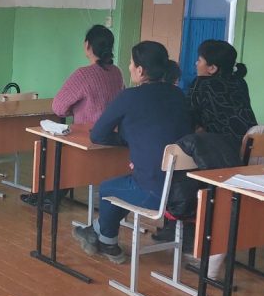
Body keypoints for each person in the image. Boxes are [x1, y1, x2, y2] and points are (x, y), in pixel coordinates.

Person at [73, 41, 193, 264]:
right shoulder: (178, 95)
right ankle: (98, 233)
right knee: (122, 186)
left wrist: (124, 141)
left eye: (131, 63)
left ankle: (106, 240)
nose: (128, 67)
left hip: (154, 192)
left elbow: (97, 135)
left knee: (107, 189)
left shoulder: (130, 97)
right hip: (184, 192)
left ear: (140, 70)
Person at [23, 24, 124, 207]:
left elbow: (58, 107)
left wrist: (74, 110)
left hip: (87, 137)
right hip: (113, 137)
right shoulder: (117, 72)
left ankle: (47, 198)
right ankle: (45, 196)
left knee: (54, 151)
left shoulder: (83, 74)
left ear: (88, 46)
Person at [187, 39, 257, 151]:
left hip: (224, 151)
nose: (196, 64)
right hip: (252, 146)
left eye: (199, 60)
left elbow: (189, 117)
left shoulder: (202, 83)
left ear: (212, 68)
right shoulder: (240, 82)